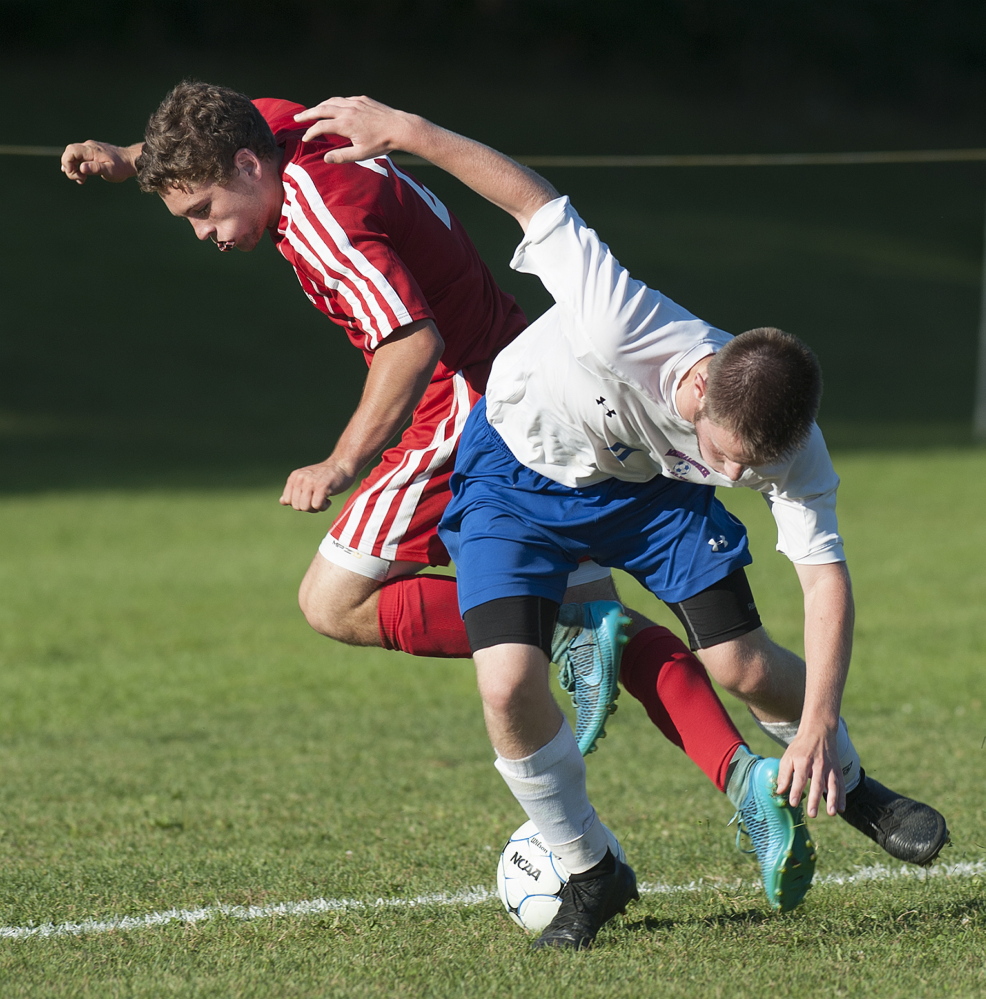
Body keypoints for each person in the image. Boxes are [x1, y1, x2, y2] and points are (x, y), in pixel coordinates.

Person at [60, 82, 821, 935]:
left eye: (203, 210)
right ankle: (726, 771)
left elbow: (410, 344)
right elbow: (229, 117)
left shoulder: (317, 213)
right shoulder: (284, 135)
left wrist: (342, 461)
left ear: (248, 167)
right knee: (589, 616)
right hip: (523, 383)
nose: (205, 233)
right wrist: (135, 161)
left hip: (471, 406)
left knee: (332, 600)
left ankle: (574, 657)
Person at [289, 95, 951, 943]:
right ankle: (589, 869)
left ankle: (855, 788)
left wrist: (821, 714)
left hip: (644, 490)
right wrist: (406, 132)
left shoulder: (786, 443)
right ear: (699, 386)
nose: (740, 476)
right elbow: (534, 200)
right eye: (730, 456)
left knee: (746, 666)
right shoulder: (619, 317)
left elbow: (825, 578)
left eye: (754, 466)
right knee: (505, 684)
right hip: (516, 473)